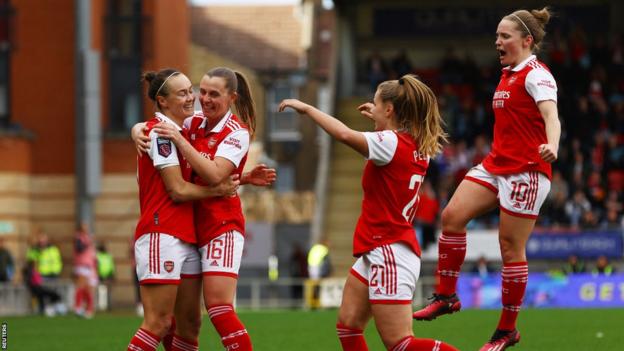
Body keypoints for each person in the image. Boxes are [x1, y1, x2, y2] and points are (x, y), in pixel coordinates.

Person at [412, 8, 560, 351]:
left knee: (510, 248)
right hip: (497, 165)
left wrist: (551, 145)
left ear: (527, 41)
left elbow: (551, 115)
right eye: (496, 36)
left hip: (527, 170)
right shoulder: (508, 73)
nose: (497, 42)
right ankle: (447, 296)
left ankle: (506, 330)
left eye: (504, 36)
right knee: (451, 217)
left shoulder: (537, 75)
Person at [279, 74, 458, 351]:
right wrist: (380, 123)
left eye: (376, 103)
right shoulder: (411, 143)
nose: (370, 108)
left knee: (400, 343)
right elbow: (387, 149)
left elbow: (343, 134)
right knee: (348, 326)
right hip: (381, 248)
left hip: (388, 250)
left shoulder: (388, 143)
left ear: (389, 109)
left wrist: (308, 109)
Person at [146, 67, 266, 351]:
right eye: (203, 92)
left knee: (219, 307)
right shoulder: (194, 122)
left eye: (215, 94)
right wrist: (137, 129)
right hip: (188, 229)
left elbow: (213, 174)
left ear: (232, 97)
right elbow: (161, 125)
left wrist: (180, 141)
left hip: (221, 226)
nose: (205, 99)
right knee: (182, 324)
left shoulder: (237, 133)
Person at [126, 68, 242, 351]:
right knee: (159, 323)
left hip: (187, 236)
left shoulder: (183, 131)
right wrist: (215, 191)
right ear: (163, 102)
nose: (192, 98)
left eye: (191, 90)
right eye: (183, 93)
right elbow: (177, 190)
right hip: (161, 231)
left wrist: (244, 178)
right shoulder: (161, 134)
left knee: (189, 328)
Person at [73, 222, 98, 318]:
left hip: (89, 266)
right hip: (82, 265)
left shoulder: (87, 238)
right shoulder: (79, 238)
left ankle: (88, 309)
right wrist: (88, 243)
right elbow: (79, 249)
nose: (86, 228)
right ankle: (78, 307)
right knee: (80, 286)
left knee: (88, 289)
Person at [96, 242, 115, 311]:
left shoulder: (98, 256)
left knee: (102, 291)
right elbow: (112, 266)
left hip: (102, 275)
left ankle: (105, 306)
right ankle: (104, 306)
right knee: (107, 292)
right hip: (106, 275)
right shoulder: (108, 256)